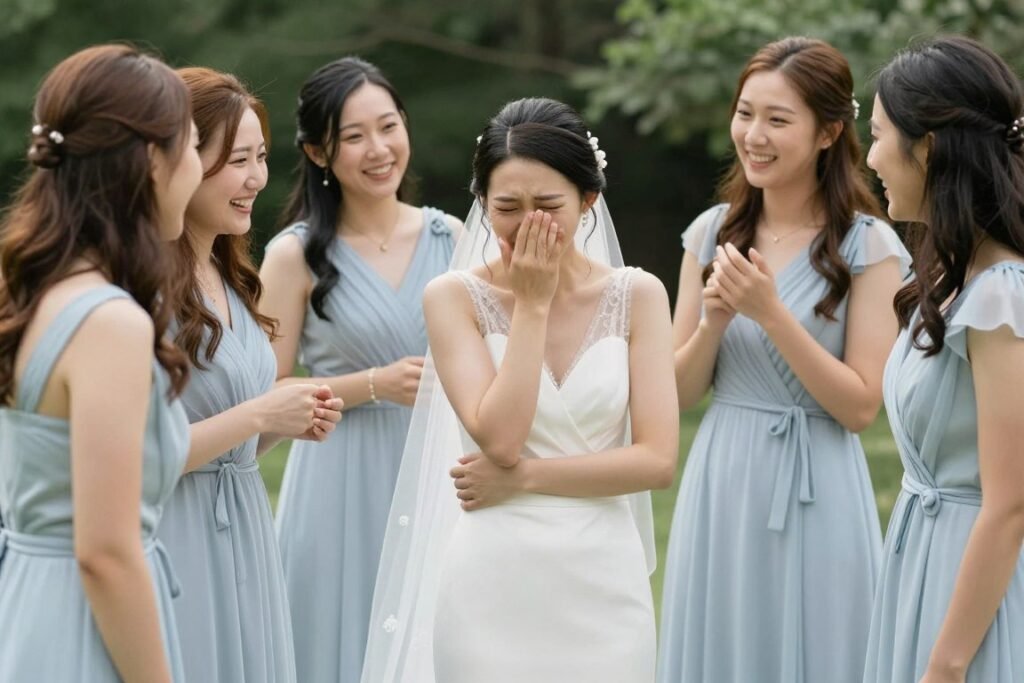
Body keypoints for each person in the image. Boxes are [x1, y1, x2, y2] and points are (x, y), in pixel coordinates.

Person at [361, 97, 679, 683]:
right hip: (492, 582)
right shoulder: (452, 297)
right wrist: (531, 305)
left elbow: (657, 462)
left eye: (549, 206)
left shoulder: (639, 296)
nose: (529, 223)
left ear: (589, 199)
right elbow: (502, 439)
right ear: (483, 203)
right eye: (507, 207)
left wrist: (525, 479)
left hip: (604, 583)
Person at [658, 37, 910, 683]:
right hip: (723, 478)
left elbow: (860, 406)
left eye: (777, 119)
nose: (754, 136)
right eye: (745, 114)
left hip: (818, 482)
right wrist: (714, 322)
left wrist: (771, 313)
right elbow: (676, 395)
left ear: (828, 132)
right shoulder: (710, 233)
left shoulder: (869, 245)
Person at [0, 44, 202, 682]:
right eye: (194, 145)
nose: (197, 168)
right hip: (82, 628)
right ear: (151, 161)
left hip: (28, 606)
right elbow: (106, 554)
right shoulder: (109, 323)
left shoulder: (30, 291)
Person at [259, 56, 459, 682]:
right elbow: (264, 395)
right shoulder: (292, 256)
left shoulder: (453, 239)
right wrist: (373, 385)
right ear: (319, 152)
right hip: (336, 482)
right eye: (354, 136)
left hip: (436, 476)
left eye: (388, 126)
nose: (378, 149)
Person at [155, 67, 342, 683]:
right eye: (238, 160)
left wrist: (284, 420)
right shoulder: (143, 289)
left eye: (261, 157)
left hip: (245, 529)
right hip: (178, 535)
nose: (257, 178)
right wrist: (262, 411)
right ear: (182, 161)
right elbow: (143, 456)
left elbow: (232, 443)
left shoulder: (231, 274)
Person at [862, 36, 1024, 683]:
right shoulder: (949, 279)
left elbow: (1010, 503)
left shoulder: (1001, 297)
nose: (869, 157)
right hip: (921, 566)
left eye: (878, 135)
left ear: (926, 148)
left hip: (972, 594)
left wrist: (948, 663)